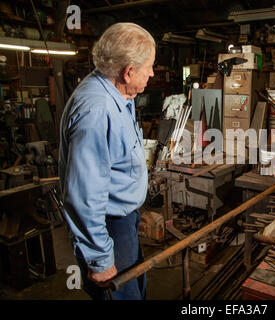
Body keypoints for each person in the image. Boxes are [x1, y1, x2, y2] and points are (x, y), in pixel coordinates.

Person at [59, 22, 155, 300]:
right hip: (108, 228)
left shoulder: (120, 94)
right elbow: (83, 197)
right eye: (149, 66)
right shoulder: (97, 110)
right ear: (128, 71)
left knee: (134, 291)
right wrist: (100, 258)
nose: (151, 73)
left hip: (123, 223)